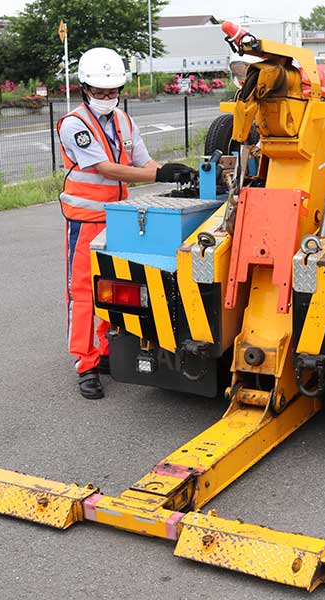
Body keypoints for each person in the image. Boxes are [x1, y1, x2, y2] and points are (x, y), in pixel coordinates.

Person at [57, 47, 194, 399]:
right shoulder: (74, 124)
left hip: (119, 218)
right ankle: (84, 363)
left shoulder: (124, 121)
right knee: (84, 293)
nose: (107, 98)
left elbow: (144, 162)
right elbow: (105, 168)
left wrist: (175, 170)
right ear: (85, 88)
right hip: (85, 219)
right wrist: (158, 174)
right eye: (100, 92)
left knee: (113, 286)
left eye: (112, 92)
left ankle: (104, 352)